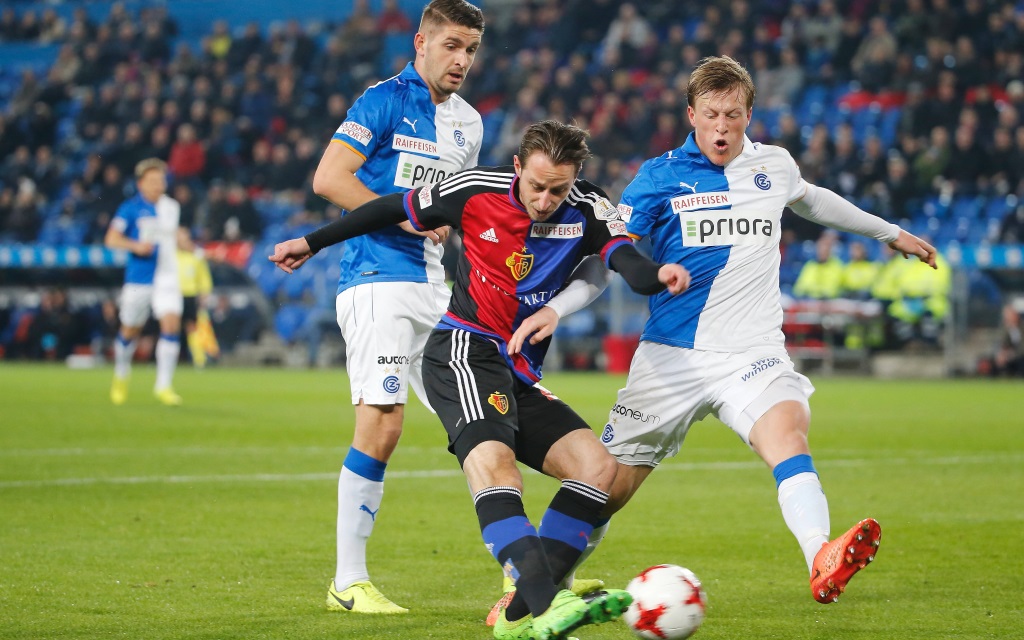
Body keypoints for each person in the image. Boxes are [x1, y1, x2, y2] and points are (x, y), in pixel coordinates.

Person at [516, 57, 938, 606]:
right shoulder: (657, 178)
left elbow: (812, 199)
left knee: (787, 434)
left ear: (748, 115)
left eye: (733, 115)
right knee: (605, 487)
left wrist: (891, 233)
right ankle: (542, 587)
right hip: (672, 358)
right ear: (691, 115)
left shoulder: (774, 166)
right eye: (711, 114)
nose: (722, 126)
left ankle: (820, 555)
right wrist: (560, 308)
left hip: (752, 353)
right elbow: (609, 259)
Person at [270, 120, 691, 640]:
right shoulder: (474, 190)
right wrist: (312, 242)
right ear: (517, 167)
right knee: (497, 469)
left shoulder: (588, 207)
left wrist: (659, 276)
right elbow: (388, 207)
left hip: (518, 368)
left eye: (558, 188)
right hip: (464, 351)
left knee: (597, 469)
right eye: (536, 185)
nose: (544, 199)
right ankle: (545, 605)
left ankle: (518, 614)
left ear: (576, 178)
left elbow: (624, 259)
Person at [309, 0, 485, 614]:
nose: (461, 60)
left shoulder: (469, 125)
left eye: (470, 50)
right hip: (377, 278)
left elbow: (456, 209)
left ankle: (524, 569)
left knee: (482, 424)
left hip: (438, 289)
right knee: (383, 424)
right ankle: (347, 581)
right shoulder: (382, 100)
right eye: (451, 46)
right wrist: (407, 221)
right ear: (421, 41)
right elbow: (330, 178)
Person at [104, 157, 186, 406]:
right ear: (141, 184)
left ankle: (164, 386)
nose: (157, 185)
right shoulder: (129, 209)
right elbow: (111, 239)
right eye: (152, 181)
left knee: (171, 324)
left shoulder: (172, 207)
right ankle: (121, 374)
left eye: (160, 180)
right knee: (130, 329)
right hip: (139, 278)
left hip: (167, 276)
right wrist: (136, 246)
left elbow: (174, 237)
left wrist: (185, 242)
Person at [176, 227, 214, 368]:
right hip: (171, 294)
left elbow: (204, 278)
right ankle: (167, 360)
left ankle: (199, 359)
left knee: (192, 327)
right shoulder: (169, 255)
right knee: (170, 327)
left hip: (190, 294)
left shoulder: (196, 257)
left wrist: (204, 293)